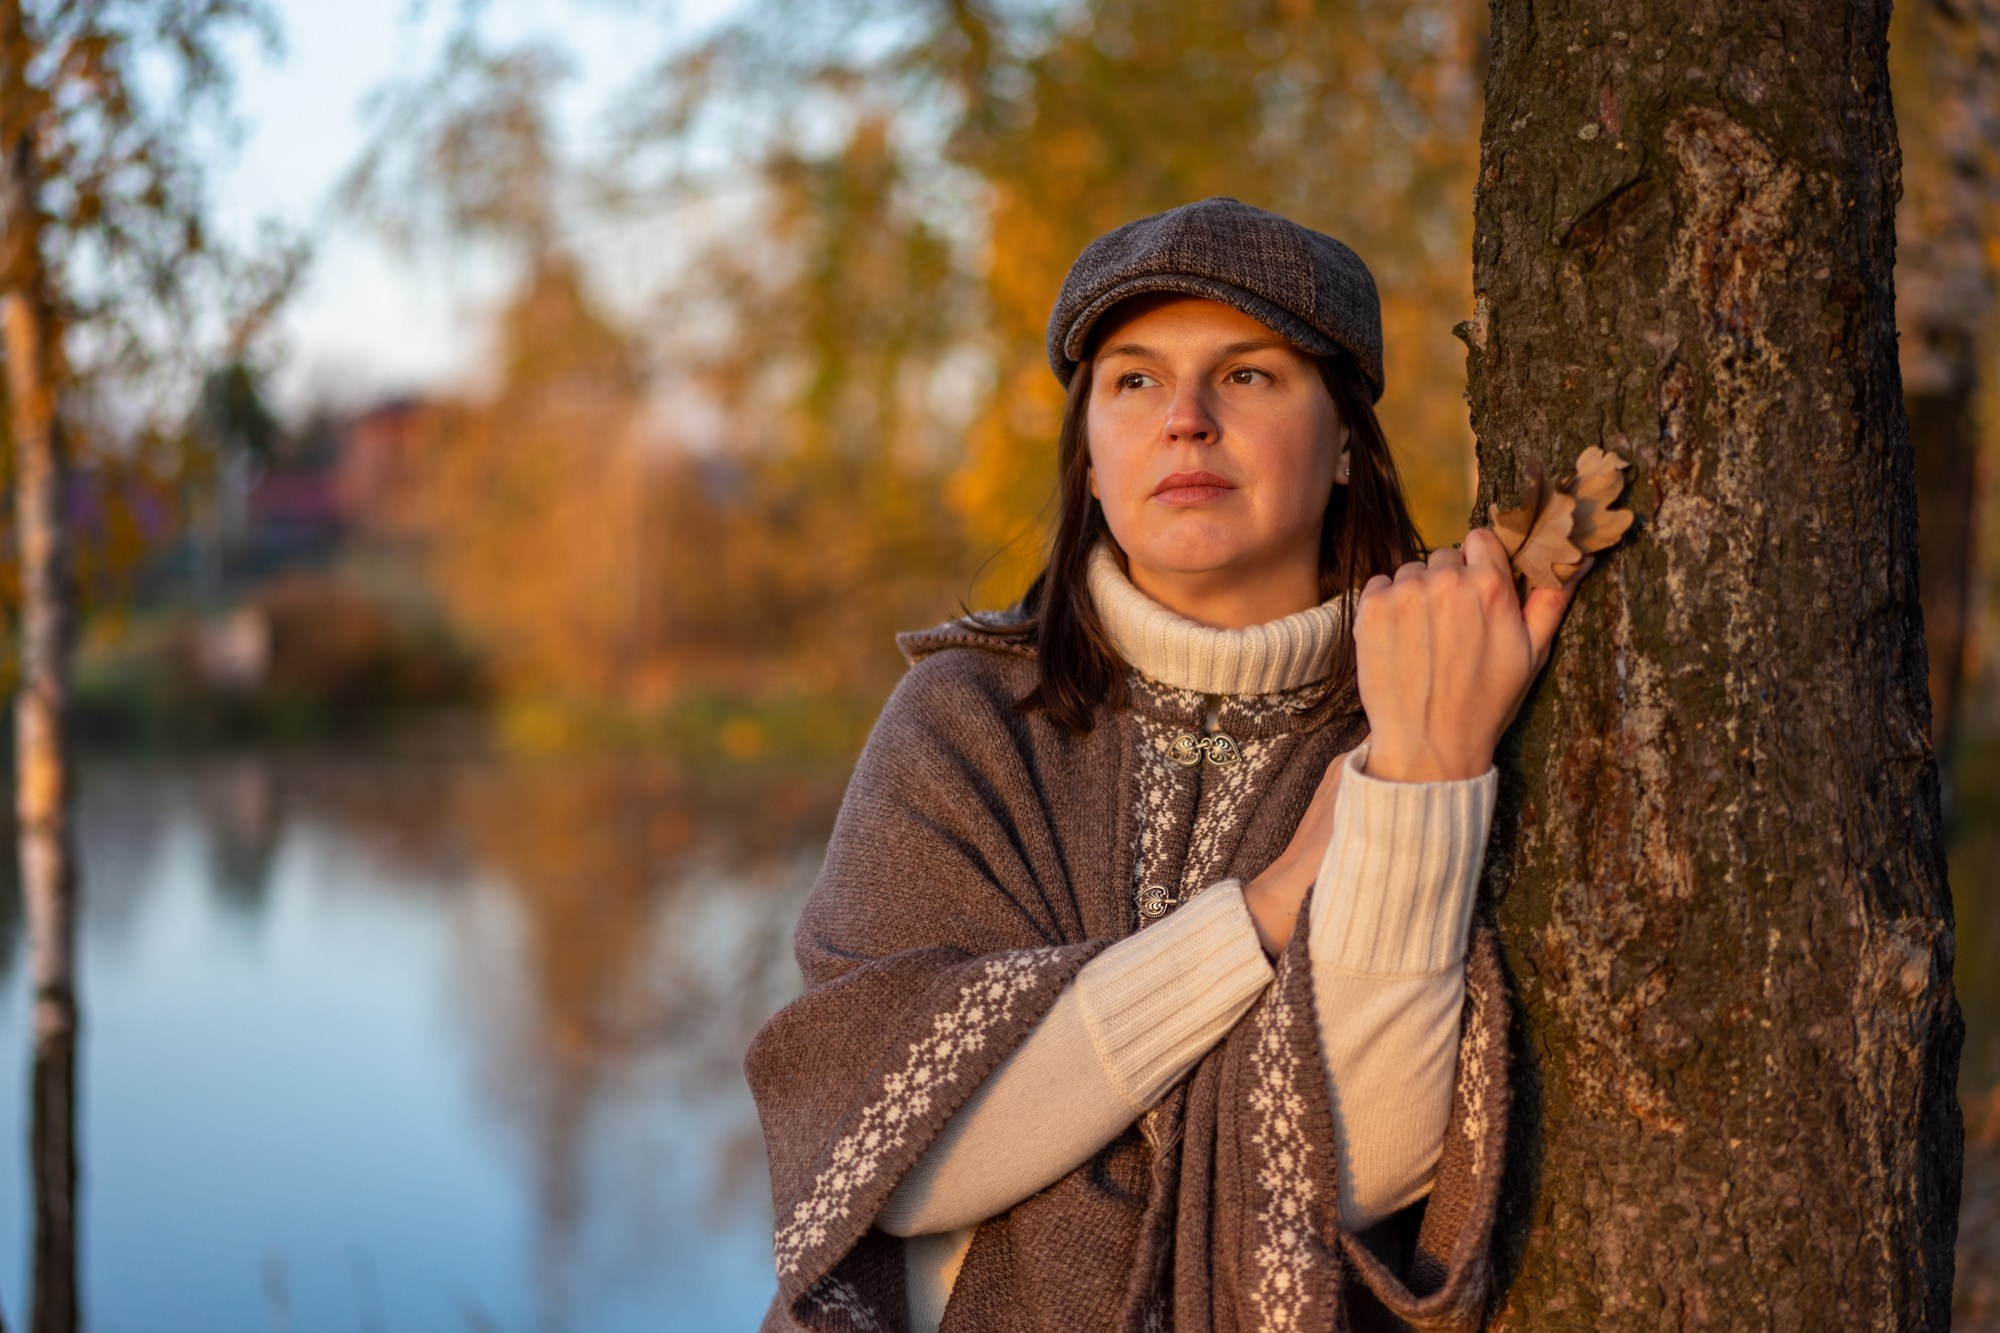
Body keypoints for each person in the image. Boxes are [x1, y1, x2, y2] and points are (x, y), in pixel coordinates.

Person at [746, 197, 1590, 1333]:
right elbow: (889, 1158)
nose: (1184, 420)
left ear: (1344, 442)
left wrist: (1422, 777)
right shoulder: (964, 722)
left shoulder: (1425, 716)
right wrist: (1270, 906)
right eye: (1134, 381)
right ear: (1090, 459)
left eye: (1247, 375)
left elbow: (1368, 1170)